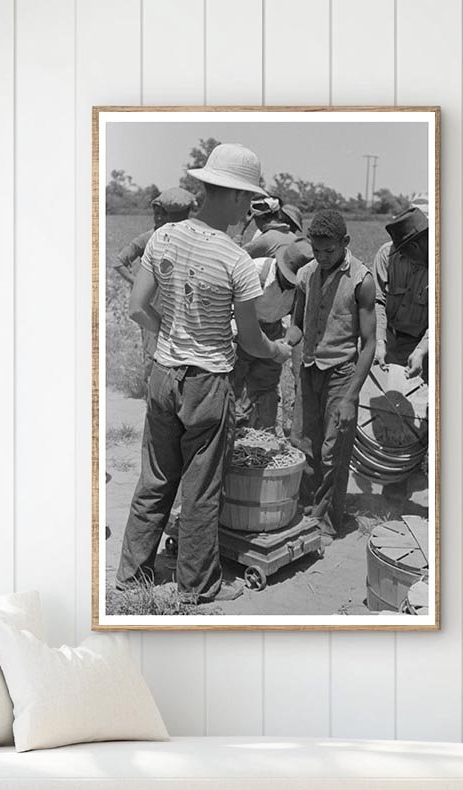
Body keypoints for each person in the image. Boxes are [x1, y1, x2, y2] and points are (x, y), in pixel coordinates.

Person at [116, 144, 292, 605]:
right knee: (200, 489)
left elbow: (137, 308)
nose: (246, 212)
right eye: (247, 201)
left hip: (163, 376)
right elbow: (252, 341)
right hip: (207, 383)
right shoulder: (235, 261)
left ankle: (132, 575)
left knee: (155, 478)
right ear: (234, 197)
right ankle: (198, 587)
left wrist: (169, 332)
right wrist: (276, 351)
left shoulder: (164, 238)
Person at [287, 209, 377, 542]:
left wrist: (352, 396)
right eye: (316, 250)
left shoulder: (361, 280)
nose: (323, 258)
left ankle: (326, 522)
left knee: (333, 449)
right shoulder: (306, 275)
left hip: (342, 374)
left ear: (345, 243)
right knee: (304, 444)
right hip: (309, 370)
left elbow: (369, 344)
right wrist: (284, 346)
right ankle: (308, 511)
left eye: (330, 251)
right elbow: (296, 325)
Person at [231, 239, 314, 430]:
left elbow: (297, 323)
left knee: (266, 388)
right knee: (231, 386)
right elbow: (227, 309)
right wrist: (241, 337)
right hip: (241, 329)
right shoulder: (254, 271)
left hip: (273, 331)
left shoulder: (302, 286)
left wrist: (287, 342)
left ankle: (263, 436)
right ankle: (230, 437)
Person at [373, 205, 430, 379]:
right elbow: (377, 301)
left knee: (423, 401)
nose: (401, 254)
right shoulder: (385, 255)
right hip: (388, 340)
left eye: (403, 250)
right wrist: (379, 340)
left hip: (423, 346)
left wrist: (422, 350)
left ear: (414, 245)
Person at [110, 187, 197, 286]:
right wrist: (137, 284)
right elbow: (118, 263)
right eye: (156, 214)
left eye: (163, 214)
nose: (159, 218)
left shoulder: (182, 237)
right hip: (150, 298)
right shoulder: (146, 238)